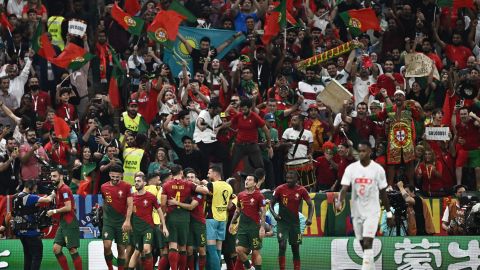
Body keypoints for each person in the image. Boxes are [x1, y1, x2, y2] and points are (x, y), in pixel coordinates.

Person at [336, 140, 393, 270]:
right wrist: (339, 201)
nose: (361, 153)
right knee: (363, 244)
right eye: (359, 151)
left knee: (368, 242)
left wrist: (389, 213)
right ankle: (370, 267)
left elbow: (383, 193)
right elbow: (344, 188)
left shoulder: (378, 169)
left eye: (364, 151)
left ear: (370, 152)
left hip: (372, 211)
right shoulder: (351, 169)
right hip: (357, 211)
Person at [161, 165, 209, 270]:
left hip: (176, 217)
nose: (190, 178)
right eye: (189, 176)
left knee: (173, 246)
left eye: (193, 177)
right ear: (182, 173)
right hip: (185, 219)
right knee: (184, 247)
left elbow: (163, 204)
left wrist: (164, 215)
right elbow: (205, 191)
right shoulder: (188, 185)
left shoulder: (166, 185)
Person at [270, 171, 314, 270]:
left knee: (295, 248)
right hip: (282, 223)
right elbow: (271, 204)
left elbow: (311, 205)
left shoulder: (302, 190)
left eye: (291, 178)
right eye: (287, 178)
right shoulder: (279, 189)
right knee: (282, 245)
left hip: (295, 224)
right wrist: (274, 214)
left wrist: (310, 218)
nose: (288, 180)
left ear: (296, 179)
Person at [128, 173, 169, 270]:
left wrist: (164, 226)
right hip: (136, 229)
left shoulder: (151, 197)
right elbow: (128, 212)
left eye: (138, 181)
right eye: (135, 181)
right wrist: (127, 223)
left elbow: (159, 211)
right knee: (137, 251)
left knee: (146, 249)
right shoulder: (131, 197)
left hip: (148, 228)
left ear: (144, 183)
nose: (136, 183)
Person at [13, 180, 55, 270]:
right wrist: (53, 193)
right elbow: (48, 200)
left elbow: (35, 203)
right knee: (37, 256)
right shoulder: (30, 197)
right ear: (30, 187)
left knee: (28, 256)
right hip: (31, 233)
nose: (35, 190)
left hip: (21, 232)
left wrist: (46, 195)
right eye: (35, 188)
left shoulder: (17, 197)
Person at [47, 167, 83, 270]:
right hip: (63, 224)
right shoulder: (58, 189)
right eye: (51, 176)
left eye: (54, 176)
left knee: (72, 250)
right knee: (56, 249)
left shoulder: (64, 189)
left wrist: (54, 211)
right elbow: (73, 207)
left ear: (61, 176)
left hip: (69, 223)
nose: (52, 178)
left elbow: (68, 207)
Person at [229, 174, 266, 270]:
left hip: (254, 227)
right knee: (238, 249)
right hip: (242, 227)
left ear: (255, 183)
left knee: (255, 252)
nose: (246, 181)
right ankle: (249, 268)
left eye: (249, 180)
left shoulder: (259, 196)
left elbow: (263, 212)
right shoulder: (240, 195)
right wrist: (232, 223)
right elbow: (237, 210)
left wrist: (262, 228)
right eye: (246, 179)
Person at [100, 165, 133, 270]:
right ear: (109, 174)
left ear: (122, 175)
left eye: (117, 177)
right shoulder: (103, 187)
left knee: (121, 249)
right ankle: (110, 268)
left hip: (122, 223)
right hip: (108, 222)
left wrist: (127, 221)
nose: (114, 179)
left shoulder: (127, 187)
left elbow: (130, 205)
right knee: (106, 246)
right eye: (113, 176)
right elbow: (105, 201)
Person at [204, 165, 234, 270]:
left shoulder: (211, 185)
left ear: (215, 173)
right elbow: (230, 205)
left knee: (211, 249)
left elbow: (203, 192)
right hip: (223, 219)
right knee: (218, 249)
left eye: (209, 172)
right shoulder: (229, 186)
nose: (208, 175)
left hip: (212, 218)